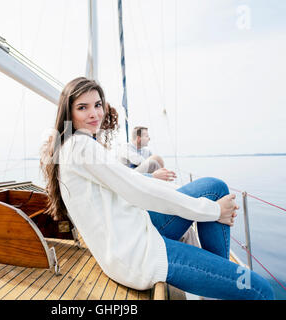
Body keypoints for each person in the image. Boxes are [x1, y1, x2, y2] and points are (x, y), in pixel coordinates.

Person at [40, 77, 274, 300]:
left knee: (214, 188)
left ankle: (218, 275)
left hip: (138, 230)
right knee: (261, 291)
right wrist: (212, 211)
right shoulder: (81, 146)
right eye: (83, 107)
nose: (94, 113)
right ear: (68, 112)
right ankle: (221, 278)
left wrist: (203, 204)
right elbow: (137, 189)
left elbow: (131, 180)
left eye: (98, 104)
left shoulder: (74, 145)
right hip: (138, 255)